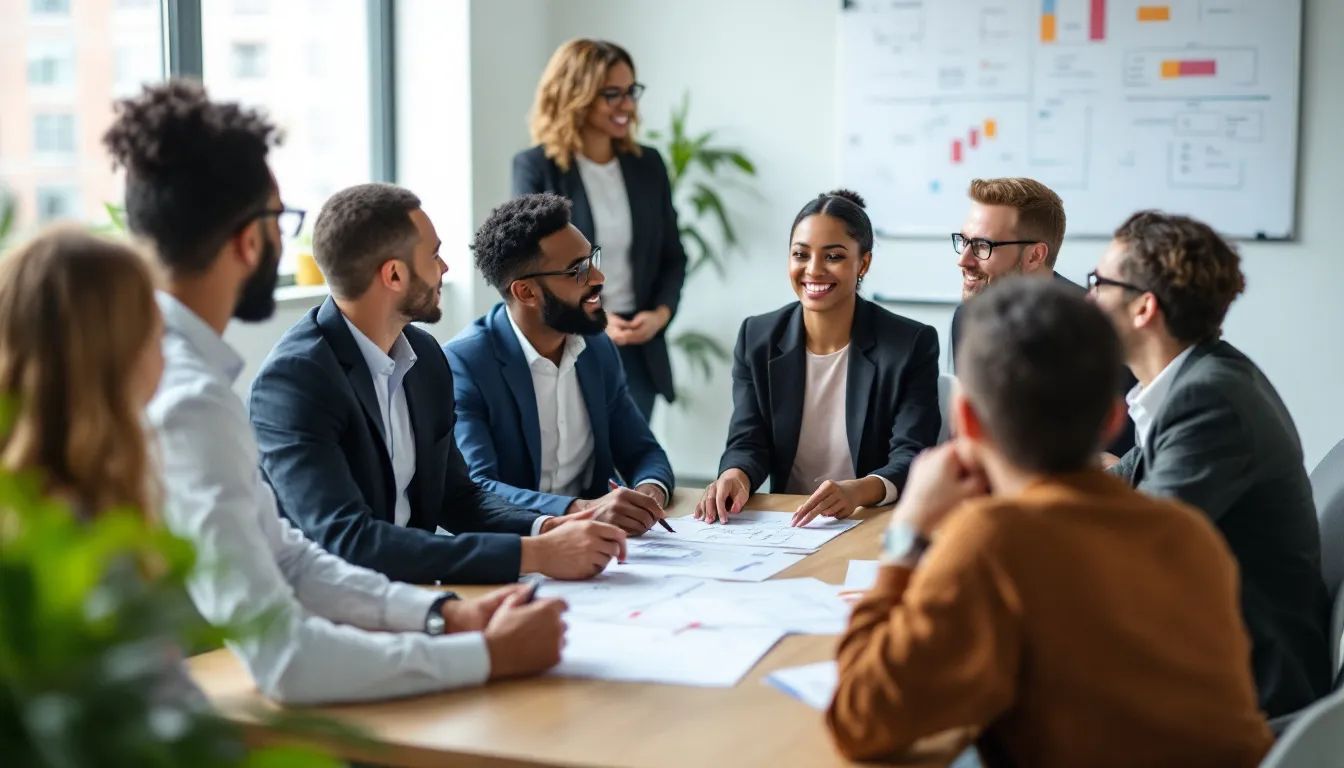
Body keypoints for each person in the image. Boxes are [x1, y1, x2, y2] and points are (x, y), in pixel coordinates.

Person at [106, 79, 567, 705]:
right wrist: (483, 655)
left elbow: (290, 557)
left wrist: (445, 617)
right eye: (280, 222)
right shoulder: (190, 398)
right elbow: (284, 657)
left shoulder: (175, 374)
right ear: (249, 240)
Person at [826, 276, 1274, 767]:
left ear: (966, 421)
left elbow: (859, 719)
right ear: (1112, 419)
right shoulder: (1191, 535)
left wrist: (907, 531)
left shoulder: (993, 542)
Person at [249, 183, 627, 583]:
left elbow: (458, 497)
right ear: (394, 274)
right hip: (325, 610)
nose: (445, 268)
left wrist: (547, 528)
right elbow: (348, 540)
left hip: (412, 596)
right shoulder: (294, 381)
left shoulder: (425, 356)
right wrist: (531, 554)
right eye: (434, 255)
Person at [1093, 210, 1331, 717]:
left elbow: (1134, 554)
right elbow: (1118, 483)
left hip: (1244, 689)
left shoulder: (1209, 400)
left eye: (1099, 283)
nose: (1087, 299)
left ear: (1143, 308)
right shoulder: (1197, 379)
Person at [697, 190, 941, 526]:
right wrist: (736, 475)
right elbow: (748, 440)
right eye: (801, 254)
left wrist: (858, 491)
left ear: (863, 264)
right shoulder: (758, 337)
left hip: (872, 520)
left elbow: (913, 453)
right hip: (789, 523)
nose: (813, 270)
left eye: (834, 257)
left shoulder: (910, 344)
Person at [444, 193, 675, 534]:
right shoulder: (466, 363)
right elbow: (479, 487)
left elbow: (642, 450)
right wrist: (580, 510)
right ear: (526, 292)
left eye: (591, 259)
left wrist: (647, 492)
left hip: (604, 547)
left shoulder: (597, 347)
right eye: (578, 270)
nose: (598, 277)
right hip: (521, 548)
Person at [512, 38, 687, 423]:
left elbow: (673, 256)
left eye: (630, 92)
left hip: (640, 347)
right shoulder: (537, 168)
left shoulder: (649, 165)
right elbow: (531, 267)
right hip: (569, 340)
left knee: (634, 466)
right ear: (576, 94)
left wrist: (660, 315)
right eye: (612, 94)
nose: (627, 105)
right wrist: (594, 319)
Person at [950, 177, 1136, 455]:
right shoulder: (967, 318)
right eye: (963, 241)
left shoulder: (1097, 327)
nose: (963, 260)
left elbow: (1121, 451)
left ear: (1035, 255)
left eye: (982, 246)